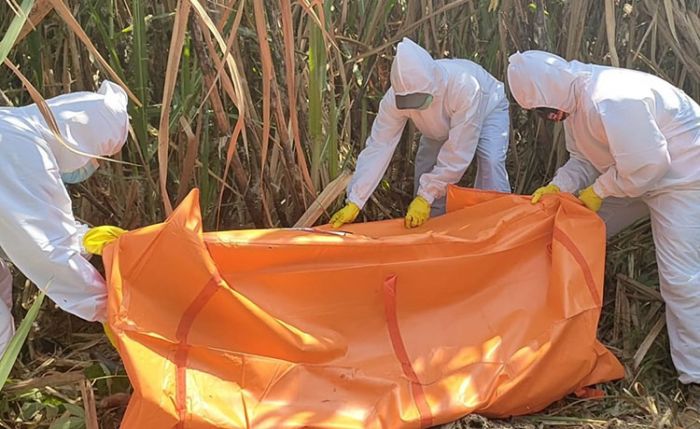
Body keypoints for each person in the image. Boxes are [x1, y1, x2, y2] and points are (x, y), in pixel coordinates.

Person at [507, 50, 700, 421]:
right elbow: (583, 159)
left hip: (683, 179)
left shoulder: (611, 96)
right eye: (541, 115)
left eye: (547, 111)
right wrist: (558, 187)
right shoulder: (571, 102)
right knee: (575, 231)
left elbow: (650, 164)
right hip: (633, 180)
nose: (549, 118)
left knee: (681, 278)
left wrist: (599, 191)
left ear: (554, 90)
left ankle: (695, 378)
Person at [0, 80, 129, 355]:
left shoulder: (16, 130)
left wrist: (83, 238)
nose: (95, 165)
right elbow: (44, 249)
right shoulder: (22, 150)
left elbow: (28, 223)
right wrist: (107, 307)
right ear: (82, 141)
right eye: (99, 156)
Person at [331, 37, 511, 229]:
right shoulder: (394, 98)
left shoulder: (464, 87)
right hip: (437, 129)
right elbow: (379, 145)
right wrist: (355, 199)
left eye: (418, 101)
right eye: (408, 103)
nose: (415, 109)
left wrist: (426, 195)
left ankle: (496, 225)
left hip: (488, 109)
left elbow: (458, 151)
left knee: (490, 161)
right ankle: (432, 231)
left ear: (432, 86)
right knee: (426, 170)